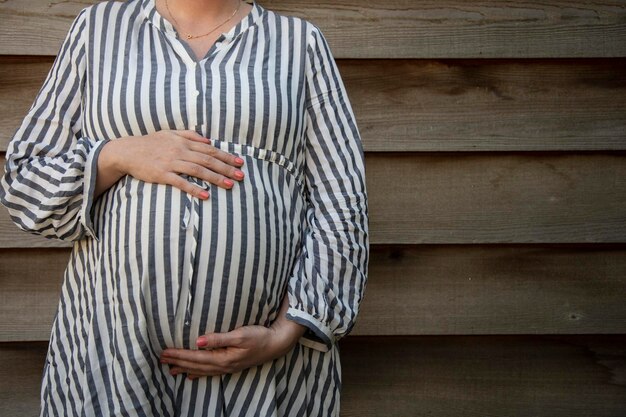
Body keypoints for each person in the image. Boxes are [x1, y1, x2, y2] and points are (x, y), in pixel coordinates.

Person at [0, 0, 369, 415]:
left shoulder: (300, 44)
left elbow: (341, 197)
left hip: (265, 375)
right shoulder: (98, 29)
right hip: (113, 360)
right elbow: (26, 181)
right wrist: (117, 154)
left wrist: (287, 330)